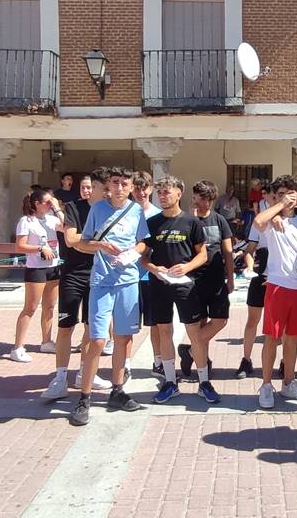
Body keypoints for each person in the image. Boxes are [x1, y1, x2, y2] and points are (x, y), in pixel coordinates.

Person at [68, 166, 150, 425]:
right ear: (108, 185)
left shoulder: (136, 210)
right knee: (98, 340)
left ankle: (117, 390)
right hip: (102, 282)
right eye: (115, 182)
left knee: (123, 337)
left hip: (128, 281)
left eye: (125, 183)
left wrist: (131, 253)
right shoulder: (98, 210)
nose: (120, 187)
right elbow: (82, 243)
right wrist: (101, 245)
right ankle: (85, 396)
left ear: (131, 187)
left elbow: (143, 242)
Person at [42, 170, 112, 401]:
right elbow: (71, 241)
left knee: (93, 329)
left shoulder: (109, 210)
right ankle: (60, 377)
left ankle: (84, 372)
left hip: (100, 276)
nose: (108, 191)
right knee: (66, 327)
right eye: (105, 187)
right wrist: (101, 245)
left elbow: (115, 243)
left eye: (100, 187)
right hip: (73, 275)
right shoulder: (73, 208)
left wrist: (86, 244)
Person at [141, 176, 209, 404]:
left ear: (179, 194)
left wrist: (187, 267)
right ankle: (170, 382)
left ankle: (204, 382)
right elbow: (143, 257)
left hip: (185, 286)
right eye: (159, 192)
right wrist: (154, 268)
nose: (162, 196)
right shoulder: (152, 223)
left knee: (195, 334)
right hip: (159, 285)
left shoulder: (192, 222)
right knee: (164, 332)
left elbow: (203, 254)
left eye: (167, 192)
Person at [252, 176, 297, 408]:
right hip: (277, 286)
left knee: (292, 339)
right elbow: (258, 222)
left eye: (289, 194)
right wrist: (278, 206)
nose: (285, 198)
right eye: (279, 194)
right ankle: (266, 384)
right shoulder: (271, 220)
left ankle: (289, 382)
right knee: (272, 337)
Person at [176, 181, 234, 396]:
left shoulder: (219, 220)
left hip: (216, 278)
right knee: (199, 323)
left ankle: (191, 349)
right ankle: (203, 365)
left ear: (210, 200)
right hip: (194, 280)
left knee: (220, 320)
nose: (197, 201)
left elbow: (227, 251)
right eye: (196, 196)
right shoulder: (186, 221)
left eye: (201, 197)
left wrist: (230, 277)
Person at [10, 189, 64, 362]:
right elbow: (20, 246)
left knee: (49, 306)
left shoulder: (52, 219)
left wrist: (57, 208)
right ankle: (18, 347)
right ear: (36, 204)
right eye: (47, 202)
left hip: (53, 266)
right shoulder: (26, 221)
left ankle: (47, 341)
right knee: (30, 308)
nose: (50, 205)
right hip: (36, 267)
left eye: (51, 202)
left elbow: (66, 226)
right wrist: (40, 248)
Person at [131, 171, 164, 379]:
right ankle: (124, 364)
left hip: (151, 276)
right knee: (126, 327)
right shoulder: (125, 212)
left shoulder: (158, 215)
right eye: (136, 188)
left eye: (144, 188)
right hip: (128, 277)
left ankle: (158, 361)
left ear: (151, 189)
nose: (141, 192)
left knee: (156, 324)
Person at [236, 189, 272, 380]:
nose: (267, 202)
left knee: (279, 325)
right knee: (252, 319)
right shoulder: (258, 224)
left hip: (281, 275)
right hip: (260, 273)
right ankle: (246, 359)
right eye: (264, 199)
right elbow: (250, 250)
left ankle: (283, 362)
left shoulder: (293, 222)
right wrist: (250, 267)